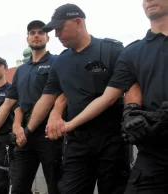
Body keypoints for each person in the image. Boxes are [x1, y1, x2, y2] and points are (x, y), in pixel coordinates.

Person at [24, 4, 142, 194]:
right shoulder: (60, 62)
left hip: (111, 138)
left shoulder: (111, 50)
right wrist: (27, 130)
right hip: (77, 142)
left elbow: (119, 92)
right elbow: (47, 98)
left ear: (78, 22)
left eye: (60, 28)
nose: (56, 35)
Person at [57, 0, 168, 193]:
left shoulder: (114, 50)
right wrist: (131, 111)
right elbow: (112, 95)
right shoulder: (132, 52)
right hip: (153, 152)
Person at [0, 20, 65, 194]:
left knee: (56, 185)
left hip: (50, 134)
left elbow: (64, 92)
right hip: (23, 136)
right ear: (27, 39)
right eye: (32, 33)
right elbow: (9, 104)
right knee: (18, 187)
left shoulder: (57, 61)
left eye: (40, 32)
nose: (36, 35)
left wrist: (57, 113)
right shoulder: (21, 70)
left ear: (48, 37)